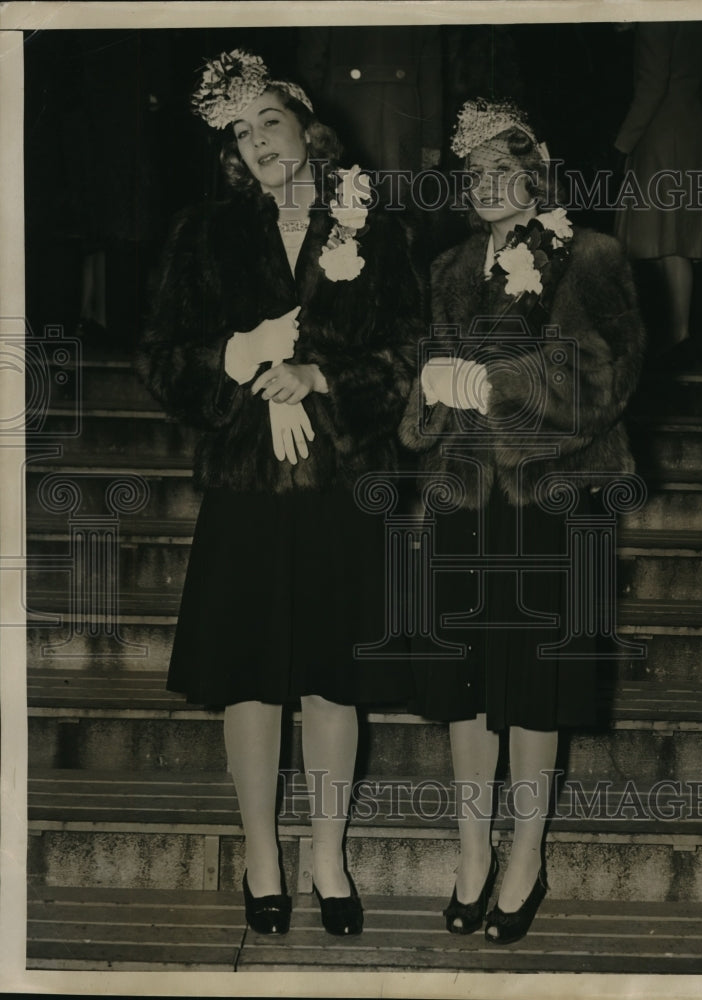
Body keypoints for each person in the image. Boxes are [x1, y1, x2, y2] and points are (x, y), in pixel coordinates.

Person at [137, 48, 423, 937]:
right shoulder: (203, 233)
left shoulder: (373, 226)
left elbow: (411, 354)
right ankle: (261, 855)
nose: (257, 140)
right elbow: (162, 360)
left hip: (341, 483)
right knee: (251, 679)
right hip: (248, 487)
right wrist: (241, 358)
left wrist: (318, 378)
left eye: (269, 120)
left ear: (306, 126)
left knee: (334, 680)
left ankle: (328, 856)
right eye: (239, 131)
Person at [400, 98, 646, 944]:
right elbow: (421, 384)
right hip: (465, 500)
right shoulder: (447, 266)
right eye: (472, 171)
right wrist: (429, 388)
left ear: (536, 173)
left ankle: (527, 857)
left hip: (552, 500)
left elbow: (605, 373)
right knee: (466, 685)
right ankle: (473, 851)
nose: (484, 183)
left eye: (502, 168)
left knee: (537, 684)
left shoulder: (592, 254)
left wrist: (497, 384)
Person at [613, 22, 702, 365]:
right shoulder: (696, 18)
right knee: (673, 239)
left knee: (664, 239)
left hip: (661, 132)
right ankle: (677, 334)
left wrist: (621, 145)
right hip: (690, 126)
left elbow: (652, 87)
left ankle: (676, 335)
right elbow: (701, 84)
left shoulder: (656, 19)